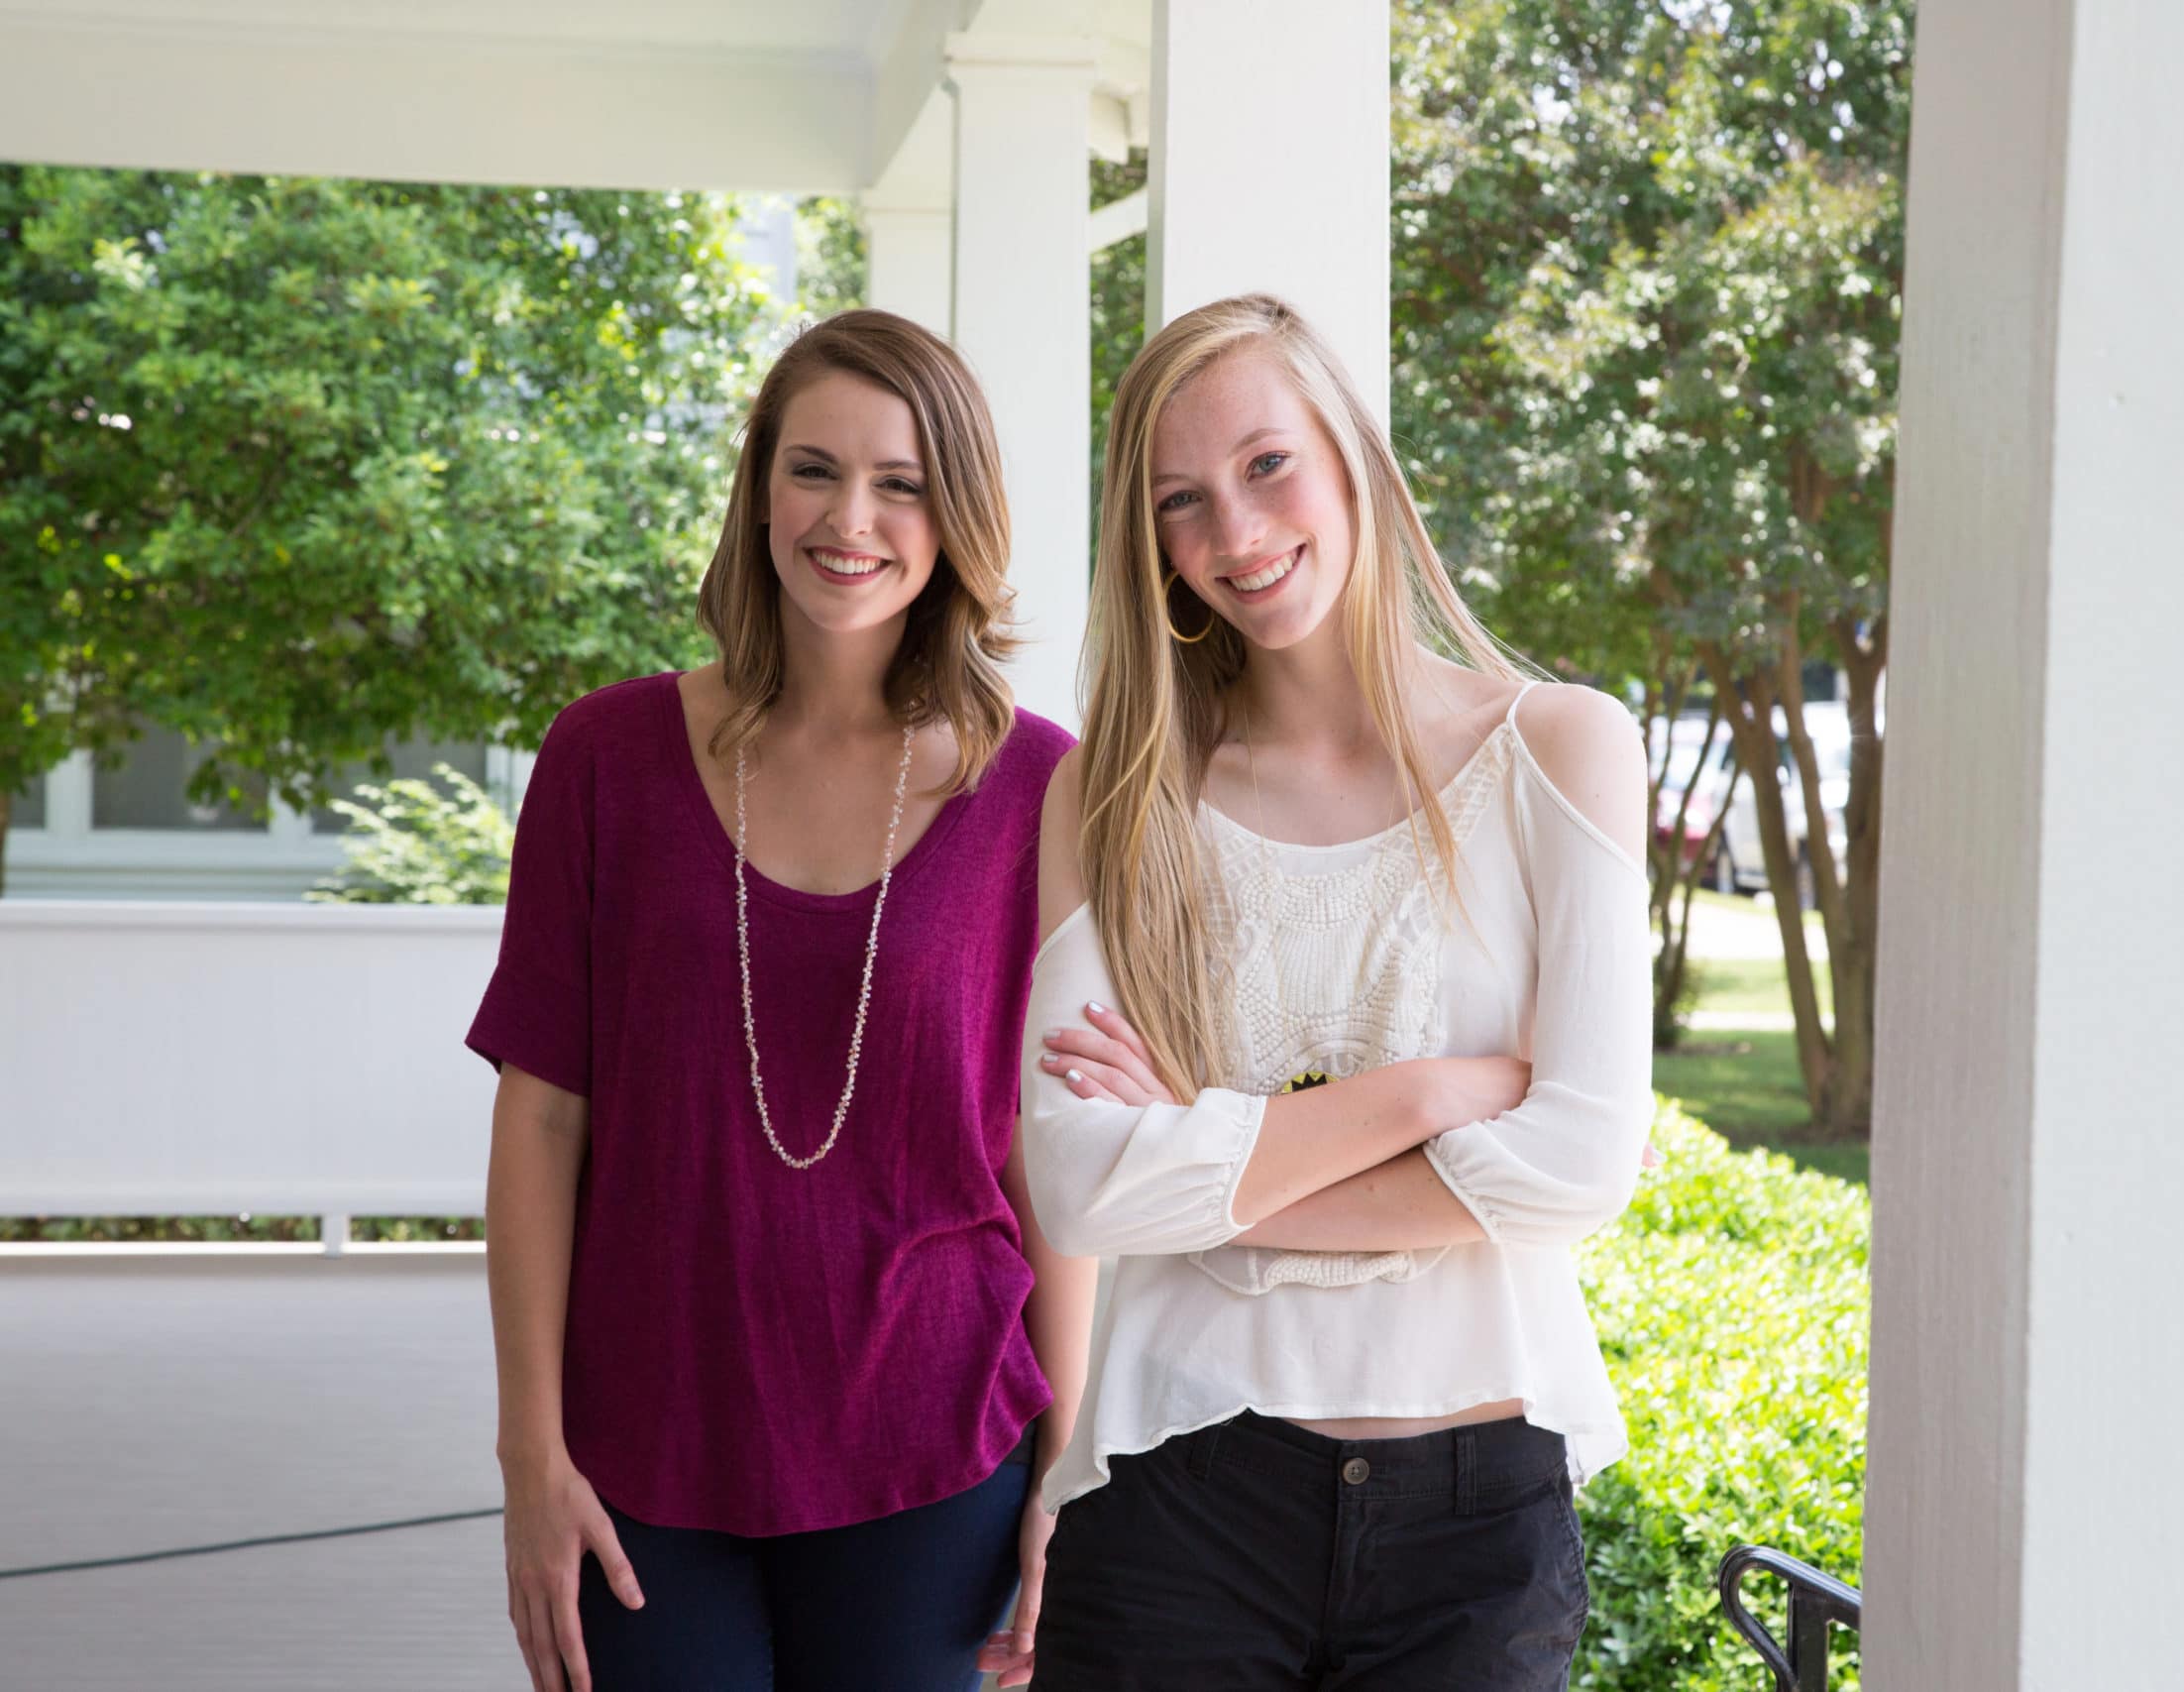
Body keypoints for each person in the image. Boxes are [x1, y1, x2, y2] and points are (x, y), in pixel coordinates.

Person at [1018, 293, 1654, 1690]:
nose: (1235, 537)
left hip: (1475, 1526)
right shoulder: (1120, 796)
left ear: (1351, 454)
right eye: (1181, 502)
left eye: (1266, 466)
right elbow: (1079, 1188)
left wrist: (1206, 1155)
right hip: (1178, 1496)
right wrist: (1435, 1095)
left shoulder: (1559, 750)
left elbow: (1579, 1166)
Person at [467, 309, 1090, 1692]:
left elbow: (1044, 1148)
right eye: (814, 469)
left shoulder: (1044, 788)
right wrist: (529, 1451)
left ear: (958, 515)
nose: (849, 517)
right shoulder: (603, 758)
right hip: (642, 1445)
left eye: (902, 482)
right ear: (758, 489)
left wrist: (1071, 1463)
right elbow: (541, 1120)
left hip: (938, 1449)